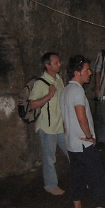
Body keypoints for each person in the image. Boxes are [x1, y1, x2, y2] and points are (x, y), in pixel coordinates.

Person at [59, 55, 105, 208]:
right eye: (87, 70)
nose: (90, 73)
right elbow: (81, 117)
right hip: (84, 144)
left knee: (77, 177)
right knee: (97, 179)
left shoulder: (65, 91)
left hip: (72, 144)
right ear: (77, 72)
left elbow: (65, 120)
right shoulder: (77, 91)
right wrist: (90, 137)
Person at [29, 52, 69, 196]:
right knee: (49, 158)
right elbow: (32, 104)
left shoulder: (58, 79)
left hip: (60, 126)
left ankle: (82, 179)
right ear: (47, 65)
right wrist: (49, 95)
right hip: (47, 127)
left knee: (73, 152)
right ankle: (51, 185)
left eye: (59, 62)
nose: (59, 64)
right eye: (56, 63)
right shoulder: (40, 83)